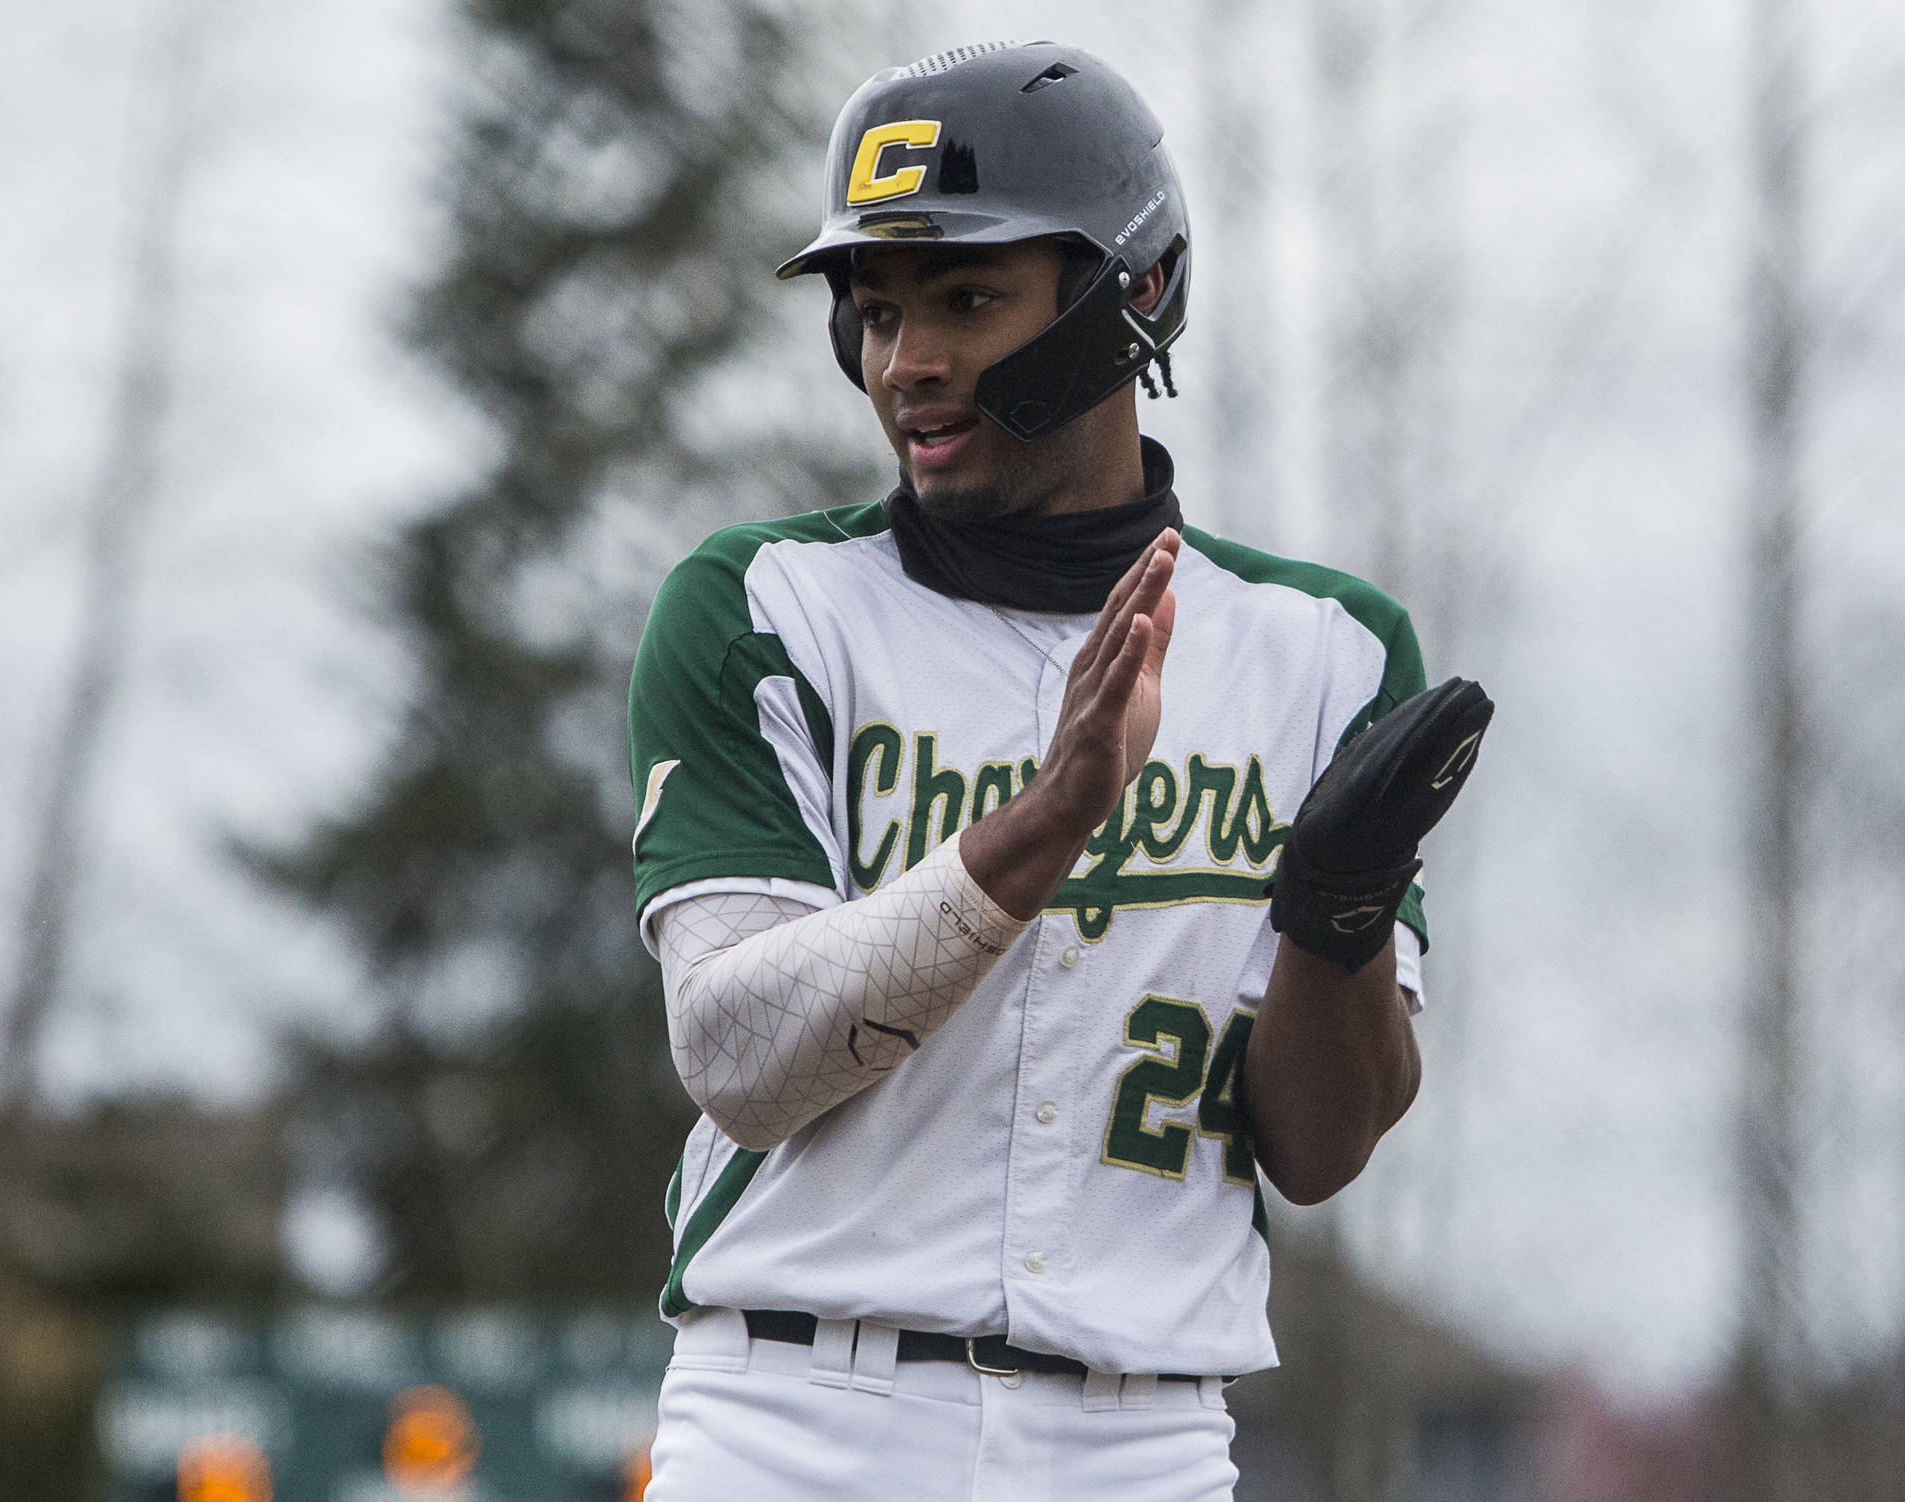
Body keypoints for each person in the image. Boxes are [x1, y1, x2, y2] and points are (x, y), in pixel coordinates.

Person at [628, 40, 1491, 1501]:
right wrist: (1042, 827)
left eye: (968, 297)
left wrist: (1335, 915)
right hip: (793, 1420)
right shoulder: (763, 603)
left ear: (1130, 296)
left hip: (1138, 1438)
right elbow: (737, 1057)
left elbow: (1320, 1145)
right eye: (879, 309)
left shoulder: (1328, 652)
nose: (909, 360)